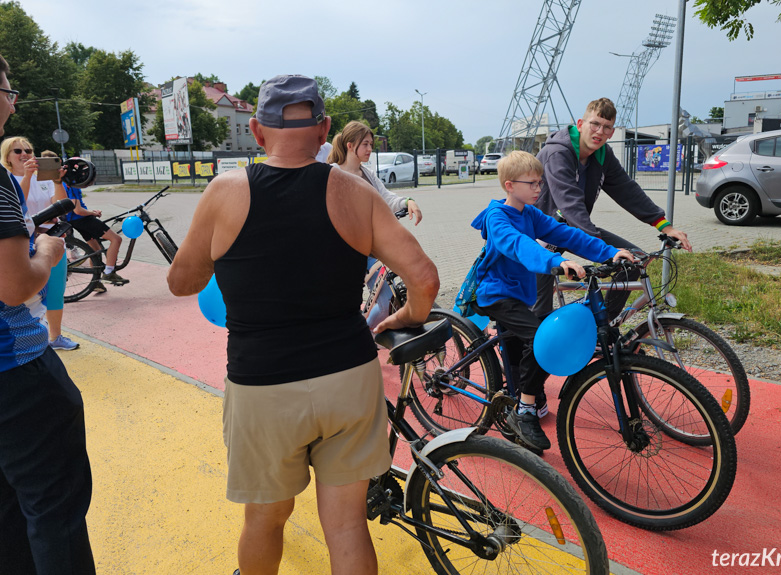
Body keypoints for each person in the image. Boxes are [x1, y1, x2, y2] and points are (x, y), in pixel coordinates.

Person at [167, 74, 438, 575]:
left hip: (263, 384)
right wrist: (407, 317)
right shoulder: (353, 192)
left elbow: (181, 282)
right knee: (347, 526)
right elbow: (423, 276)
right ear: (324, 129)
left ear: (256, 130)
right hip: (348, 377)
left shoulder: (225, 191)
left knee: (265, 521)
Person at [0, 53, 97, 575]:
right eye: (9, 89)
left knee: (9, 513)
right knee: (54, 511)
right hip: (15, 371)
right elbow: (15, 285)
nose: (13, 102)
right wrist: (47, 253)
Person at [471, 151, 633, 453]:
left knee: (527, 347)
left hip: (519, 294)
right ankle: (525, 410)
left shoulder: (530, 214)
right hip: (496, 293)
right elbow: (517, 245)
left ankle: (521, 394)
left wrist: (609, 252)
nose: (539, 189)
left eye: (540, 182)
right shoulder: (497, 217)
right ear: (509, 185)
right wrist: (555, 261)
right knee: (542, 341)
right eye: (532, 183)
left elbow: (567, 233)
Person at [534, 97, 692, 319]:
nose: (599, 131)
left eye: (606, 127)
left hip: (572, 228)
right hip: (539, 235)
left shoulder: (603, 155)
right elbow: (570, 204)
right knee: (538, 313)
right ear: (580, 124)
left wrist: (664, 226)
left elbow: (627, 190)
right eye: (595, 124)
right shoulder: (558, 153)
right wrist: (602, 248)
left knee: (633, 261)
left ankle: (604, 326)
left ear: (612, 132)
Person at [1, 138, 79, 350]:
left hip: (53, 239)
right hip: (23, 244)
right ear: (7, 156)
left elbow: (61, 206)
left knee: (55, 290)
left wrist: (57, 182)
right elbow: (18, 208)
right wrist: (26, 176)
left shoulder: (43, 179)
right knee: (25, 295)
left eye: (28, 150)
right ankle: (30, 339)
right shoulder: (6, 181)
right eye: (18, 151)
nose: (24, 154)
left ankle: (56, 337)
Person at [57, 150, 128, 290]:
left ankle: (96, 283)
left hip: (77, 220)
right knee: (116, 239)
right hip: (81, 219)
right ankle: (109, 273)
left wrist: (91, 212)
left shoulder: (70, 184)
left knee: (94, 249)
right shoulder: (70, 185)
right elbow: (77, 210)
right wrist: (93, 213)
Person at [328, 120, 422, 225]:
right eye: (365, 144)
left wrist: (408, 202)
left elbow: (386, 198)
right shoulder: (332, 173)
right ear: (350, 146)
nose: (369, 149)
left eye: (371, 144)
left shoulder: (368, 174)